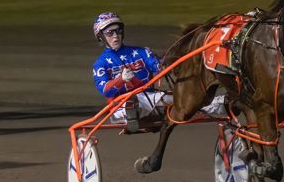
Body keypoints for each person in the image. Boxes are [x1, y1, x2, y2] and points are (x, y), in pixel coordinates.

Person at [91, 11, 226, 133]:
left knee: (183, 99)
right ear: (101, 37)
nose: (115, 36)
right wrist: (121, 79)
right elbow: (105, 90)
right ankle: (134, 114)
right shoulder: (100, 64)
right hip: (121, 104)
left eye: (118, 31)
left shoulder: (142, 52)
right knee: (151, 101)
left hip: (151, 97)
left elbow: (159, 67)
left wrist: (171, 63)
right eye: (110, 33)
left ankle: (219, 104)